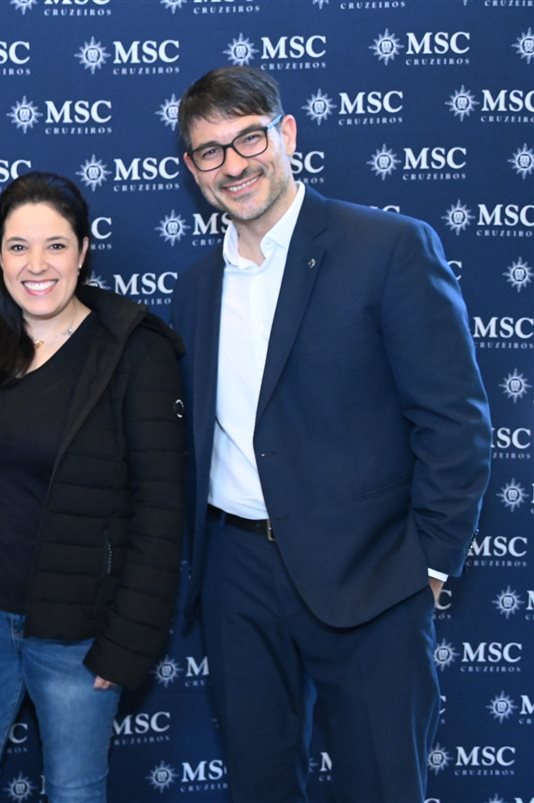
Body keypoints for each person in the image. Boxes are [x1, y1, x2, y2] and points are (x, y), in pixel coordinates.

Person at [170, 66, 491, 803]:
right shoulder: (194, 287)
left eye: (249, 137)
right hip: (237, 576)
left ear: (286, 135)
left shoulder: (388, 248)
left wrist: (429, 568)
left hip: (373, 575)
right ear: (192, 170)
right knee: (259, 784)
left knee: (383, 783)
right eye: (210, 151)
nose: (234, 164)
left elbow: (454, 421)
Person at [0, 172, 186, 802]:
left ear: (84, 251)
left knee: (75, 793)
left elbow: (160, 509)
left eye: (56, 245)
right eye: (17, 247)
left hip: (79, 634)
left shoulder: (133, 351)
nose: (36, 265)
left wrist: (126, 643)